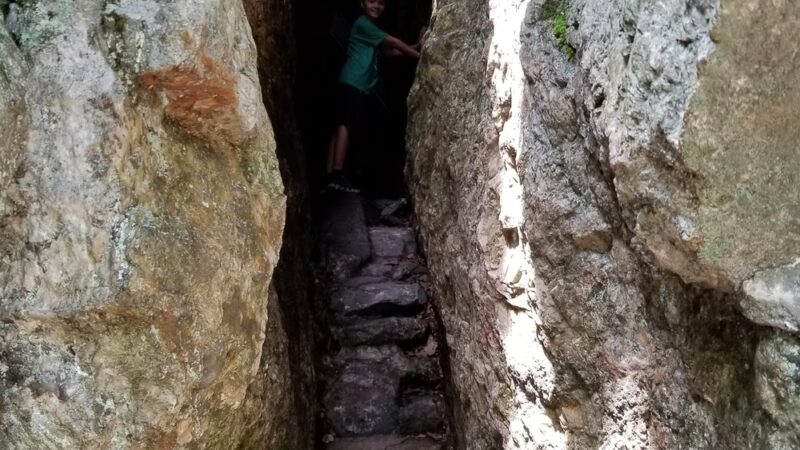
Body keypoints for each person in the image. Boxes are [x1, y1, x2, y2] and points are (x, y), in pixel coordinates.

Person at [325, 0, 422, 193]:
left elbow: (390, 52)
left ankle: (330, 177)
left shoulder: (370, 29)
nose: (376, 6)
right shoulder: (364, 24)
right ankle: (336, 176)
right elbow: (394, 42)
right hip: (354, 82)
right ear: (362, 3)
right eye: (371, 1)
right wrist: (421, 56)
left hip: (350, 81)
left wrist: (416, 46)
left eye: (381, 3)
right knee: (345, 125)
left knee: (341, 126)